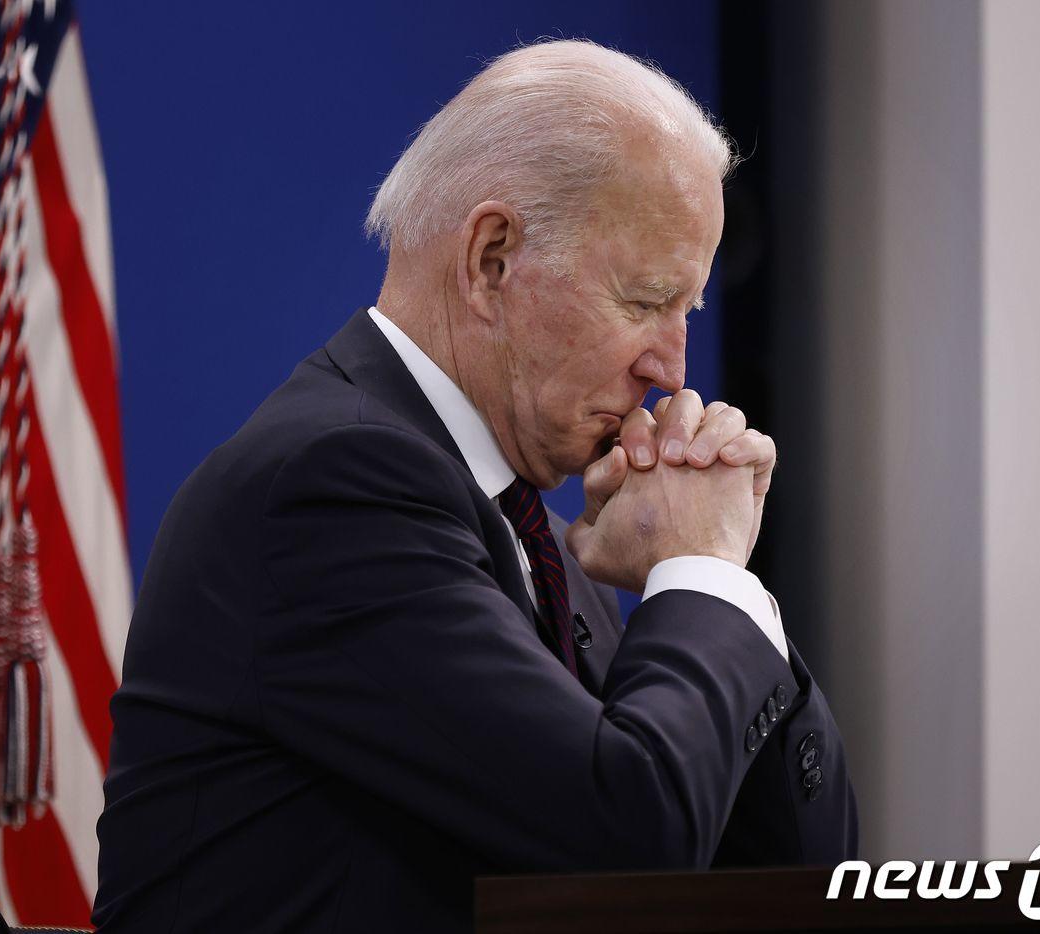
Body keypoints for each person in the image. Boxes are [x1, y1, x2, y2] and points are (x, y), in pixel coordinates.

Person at [92, 38, 857, 933]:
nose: (672, 366)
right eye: (646, 301)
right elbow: (628, 849)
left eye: (686, 310)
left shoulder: (524, 525)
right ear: (492, 259)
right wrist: (703, 573)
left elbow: (801, 873)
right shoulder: (337, 487)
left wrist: (721, 587)